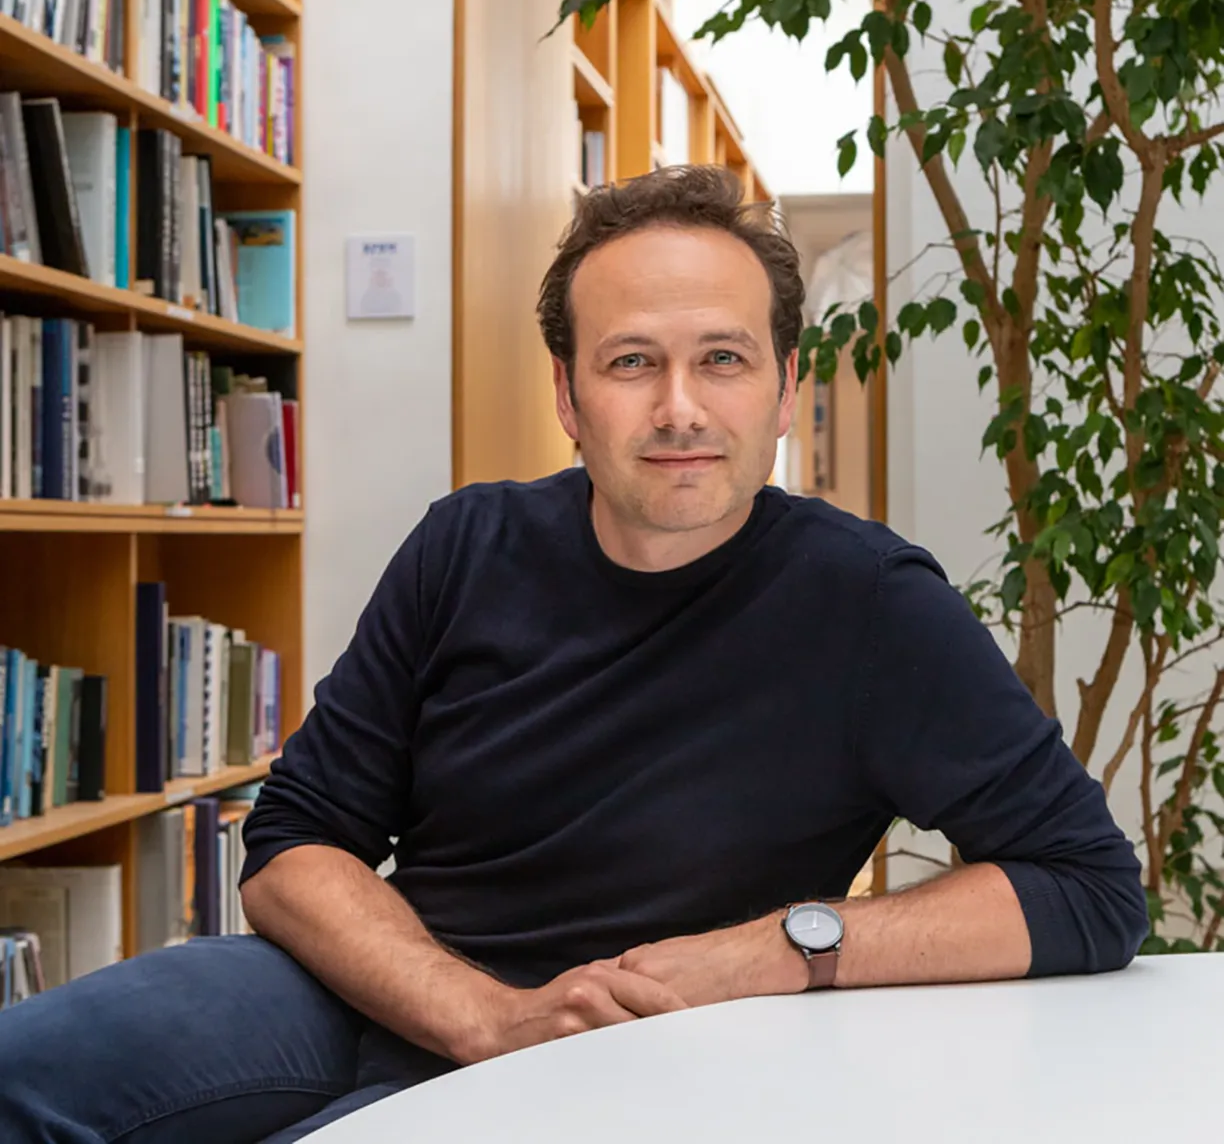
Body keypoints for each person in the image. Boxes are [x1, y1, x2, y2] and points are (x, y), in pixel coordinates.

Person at [0, 165, 1148, 1142]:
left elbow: (1089, 889)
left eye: (726, 361)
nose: (681, 409)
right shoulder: (468, 542)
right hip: (370, 987)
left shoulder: (874, 608)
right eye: (633, 361)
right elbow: (296, 839)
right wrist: (473, 1013)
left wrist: (781, 951)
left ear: (790, 389)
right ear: (567, 392)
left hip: (628, 1054)